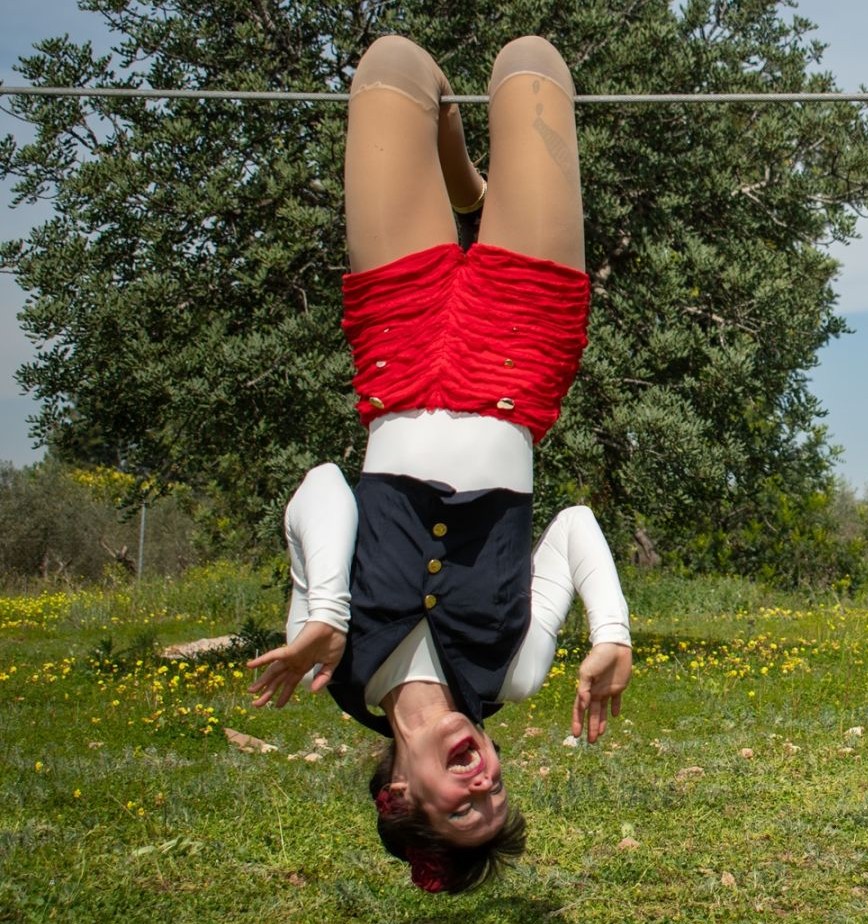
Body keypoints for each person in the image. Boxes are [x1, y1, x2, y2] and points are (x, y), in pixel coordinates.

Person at [242, 34, 633, 894]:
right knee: (530, 61)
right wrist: (611, 633)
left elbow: (320, 489)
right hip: (521, 352)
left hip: (398, 346)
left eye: (462, 806)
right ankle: (476, 197)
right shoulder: (511, 673)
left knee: (394, 65)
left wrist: (331, 615)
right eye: (496, 794)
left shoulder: (326, 661)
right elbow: (572, 531)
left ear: (396, 794)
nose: (486, 780)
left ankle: (467, 189)